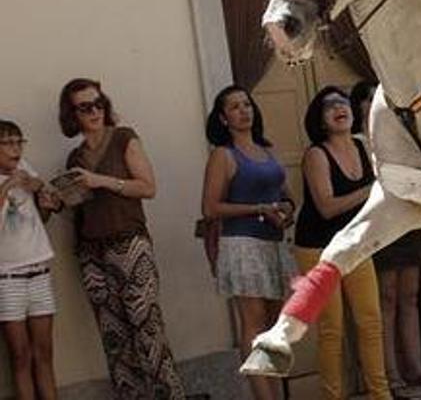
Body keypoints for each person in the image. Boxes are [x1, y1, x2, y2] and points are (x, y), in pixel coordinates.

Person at [59, 78, 185, 398]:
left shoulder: (124, 139)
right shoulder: (75, 158)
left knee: (148, 331)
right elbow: (80, 208)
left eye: (99, 102)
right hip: (92, 251)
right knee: (114, 339)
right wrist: (56, 200)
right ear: (71, 114)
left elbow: (147, 187)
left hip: (129, 244)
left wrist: (99, 180)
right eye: (85, 106)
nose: (95, 111)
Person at [293, 86, 389, 399]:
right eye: (329, 105)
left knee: (370, 321)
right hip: (318, 248)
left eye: (343, 102)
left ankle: (380, 394)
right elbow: (327, 207)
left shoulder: (364, 148)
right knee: (332, 329)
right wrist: (374, 189)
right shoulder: (315, 154)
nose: (339, 107)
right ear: (320, 120)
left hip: (355, 243)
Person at [201, 86, 297, 400]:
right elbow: (211, 207)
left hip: (274, 242)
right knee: (253, 324)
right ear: (223, 117)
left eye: (247, 104)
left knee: (273, 326)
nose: (244, 111)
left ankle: (273, 391)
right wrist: (258, 209)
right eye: (235, 107)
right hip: (242, 243)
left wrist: (285, 210)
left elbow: (287, 196)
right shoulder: (223, 155)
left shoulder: (268, 150)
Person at [351, 82, 421, 398]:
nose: (367, 105)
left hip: (407, 222)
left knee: (411, 297)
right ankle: (389, 372)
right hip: (381, 224)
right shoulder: (358, 143)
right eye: (362, 100)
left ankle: (415, 366)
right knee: (386, 298)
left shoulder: (396, 134)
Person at [0, 120, 60, 400]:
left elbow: (40, 218)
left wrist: (43, 198)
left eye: (19, 142)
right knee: (20, 355)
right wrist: (9, 185)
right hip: (7, 278)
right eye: (8, 143)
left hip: (39, 271)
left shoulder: (27, 167)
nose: (16, 149)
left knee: (44, 353)